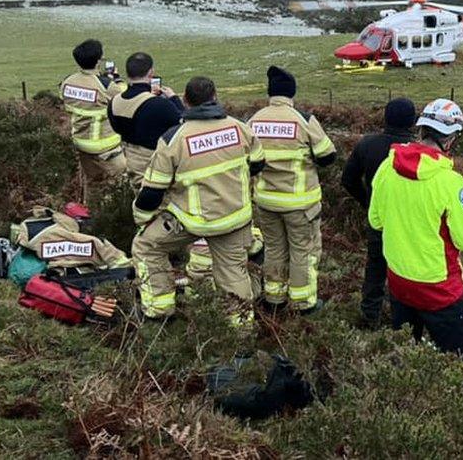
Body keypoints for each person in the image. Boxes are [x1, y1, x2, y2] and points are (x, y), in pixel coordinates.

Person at [131, 77, 264, 326]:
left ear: (185, 101)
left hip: (192, 221)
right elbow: (258, 163)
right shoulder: (240, 127)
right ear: (215, 96)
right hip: (235, 218)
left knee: (146, 246)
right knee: (233, 274)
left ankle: (159, 312)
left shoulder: (173, 139)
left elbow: (151, 191)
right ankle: (241, 335)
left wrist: (141, 217)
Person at [368, 99, 463, 354]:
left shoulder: (388, 166)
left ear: (421, 131)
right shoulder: (449, 182)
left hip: (398, 282)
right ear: (450, 140)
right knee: (456, 359)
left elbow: (375, 220)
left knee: (407, 353)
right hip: (439, 289)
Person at [247, 66, 336, 314]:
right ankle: (303, 303)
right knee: (302, 252)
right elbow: (328, 156)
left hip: (266, 201)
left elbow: (249, 161)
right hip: (300, 204)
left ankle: (274, 299)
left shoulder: (253, 120)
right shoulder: (303, 119)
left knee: (274, 250)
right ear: (291, 92)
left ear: (270, 92)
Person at [341, 97, 416, 328]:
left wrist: (368, 202)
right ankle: (404, 322)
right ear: (413, 122)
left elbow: (348, 179)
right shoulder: (418, 152)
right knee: (408, 270)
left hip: (378, 220)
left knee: (375, 266)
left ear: (385, 117)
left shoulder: (367, 145)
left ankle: (369, 316)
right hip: (411, 224)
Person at [107, 52, 184, 192]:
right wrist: (174, 99)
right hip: (155, 168)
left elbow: (117, 127)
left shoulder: (114, 102)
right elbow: (185, 124)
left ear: (128, 73)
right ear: (151, 73)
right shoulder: (160, 105)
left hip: (130, 163)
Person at [60, 39, 127, 183]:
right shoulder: (106, 85)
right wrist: (117, 79)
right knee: (120, 181)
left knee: (93, 182)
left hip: (80, 142)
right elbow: (123, 95)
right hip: (106, 145)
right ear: (98, 61)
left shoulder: (67, 82)